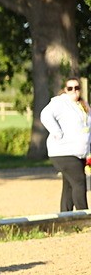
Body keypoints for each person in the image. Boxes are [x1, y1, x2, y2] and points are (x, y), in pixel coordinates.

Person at [38, 76, 90, 211]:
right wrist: (57, 133)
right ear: (65, 90)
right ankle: (83, 217)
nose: (74, 91)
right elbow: (45, 115)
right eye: (70, 88)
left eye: (77, 88)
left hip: (79, 154)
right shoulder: (60, 103)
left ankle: (65, 217)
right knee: (79, 182)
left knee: (69, 186)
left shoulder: (83, 106)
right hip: (63, 152)